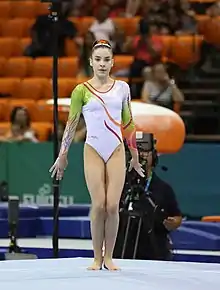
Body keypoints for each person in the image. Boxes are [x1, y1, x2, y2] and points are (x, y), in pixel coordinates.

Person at [49, 39, 144, 271]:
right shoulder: (81, 91)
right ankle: (96, 257)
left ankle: (109, 256)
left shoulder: (122, 88)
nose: (102, 64)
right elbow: (71, 125)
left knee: (112, 206)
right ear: (91, 62)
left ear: (113, 63)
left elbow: (128, 122)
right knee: (98, 204)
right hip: (92, 148)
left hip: (116, 149)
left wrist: (134, 155)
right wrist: (63, 155)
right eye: (98, 59)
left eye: (106, 60)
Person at [114, 133, 182, 261]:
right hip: (121, 251)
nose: (141, 156)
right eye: (136, 152)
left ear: (154, 156)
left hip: (154, 252)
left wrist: (173, 223)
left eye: (145, 152)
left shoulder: (164, 188)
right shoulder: (118, 185)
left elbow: (177, 216)